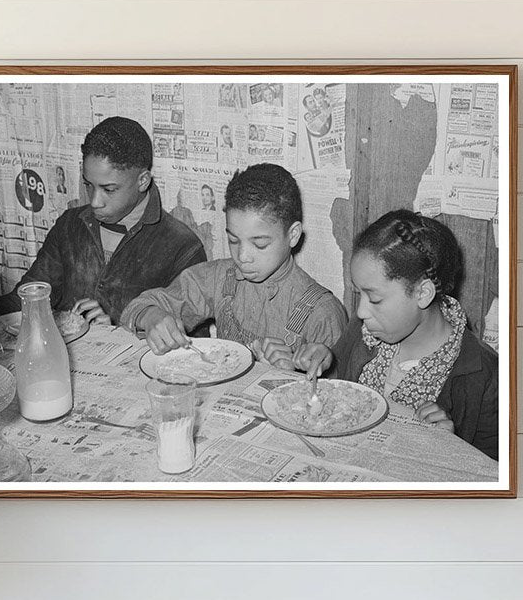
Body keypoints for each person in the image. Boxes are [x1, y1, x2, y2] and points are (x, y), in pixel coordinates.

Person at [301, 209, 498, 460]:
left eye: (375, 299)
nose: (361, 311)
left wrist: (451, 446)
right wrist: (326, 360)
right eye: (359, 294)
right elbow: (334, 394)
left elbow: (493, 469)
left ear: (422, 294)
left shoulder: (484, 376)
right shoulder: (363, 331)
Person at [120, 164, 347, 369]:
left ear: (293, 235)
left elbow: (337, 395)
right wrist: (150, 316)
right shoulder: (220, 277)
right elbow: (138, 306)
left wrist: (292, 375)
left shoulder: (322, 313)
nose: (242, 257)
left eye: (260, 244)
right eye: (233, 240)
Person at [0, 116, 206, 325]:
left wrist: (116, 329)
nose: (95, 202)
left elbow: (190, 340)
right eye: (89, 185)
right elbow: (27, 299)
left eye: (109, 189)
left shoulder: (182, 247)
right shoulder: (70, 224)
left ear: (142, 181)